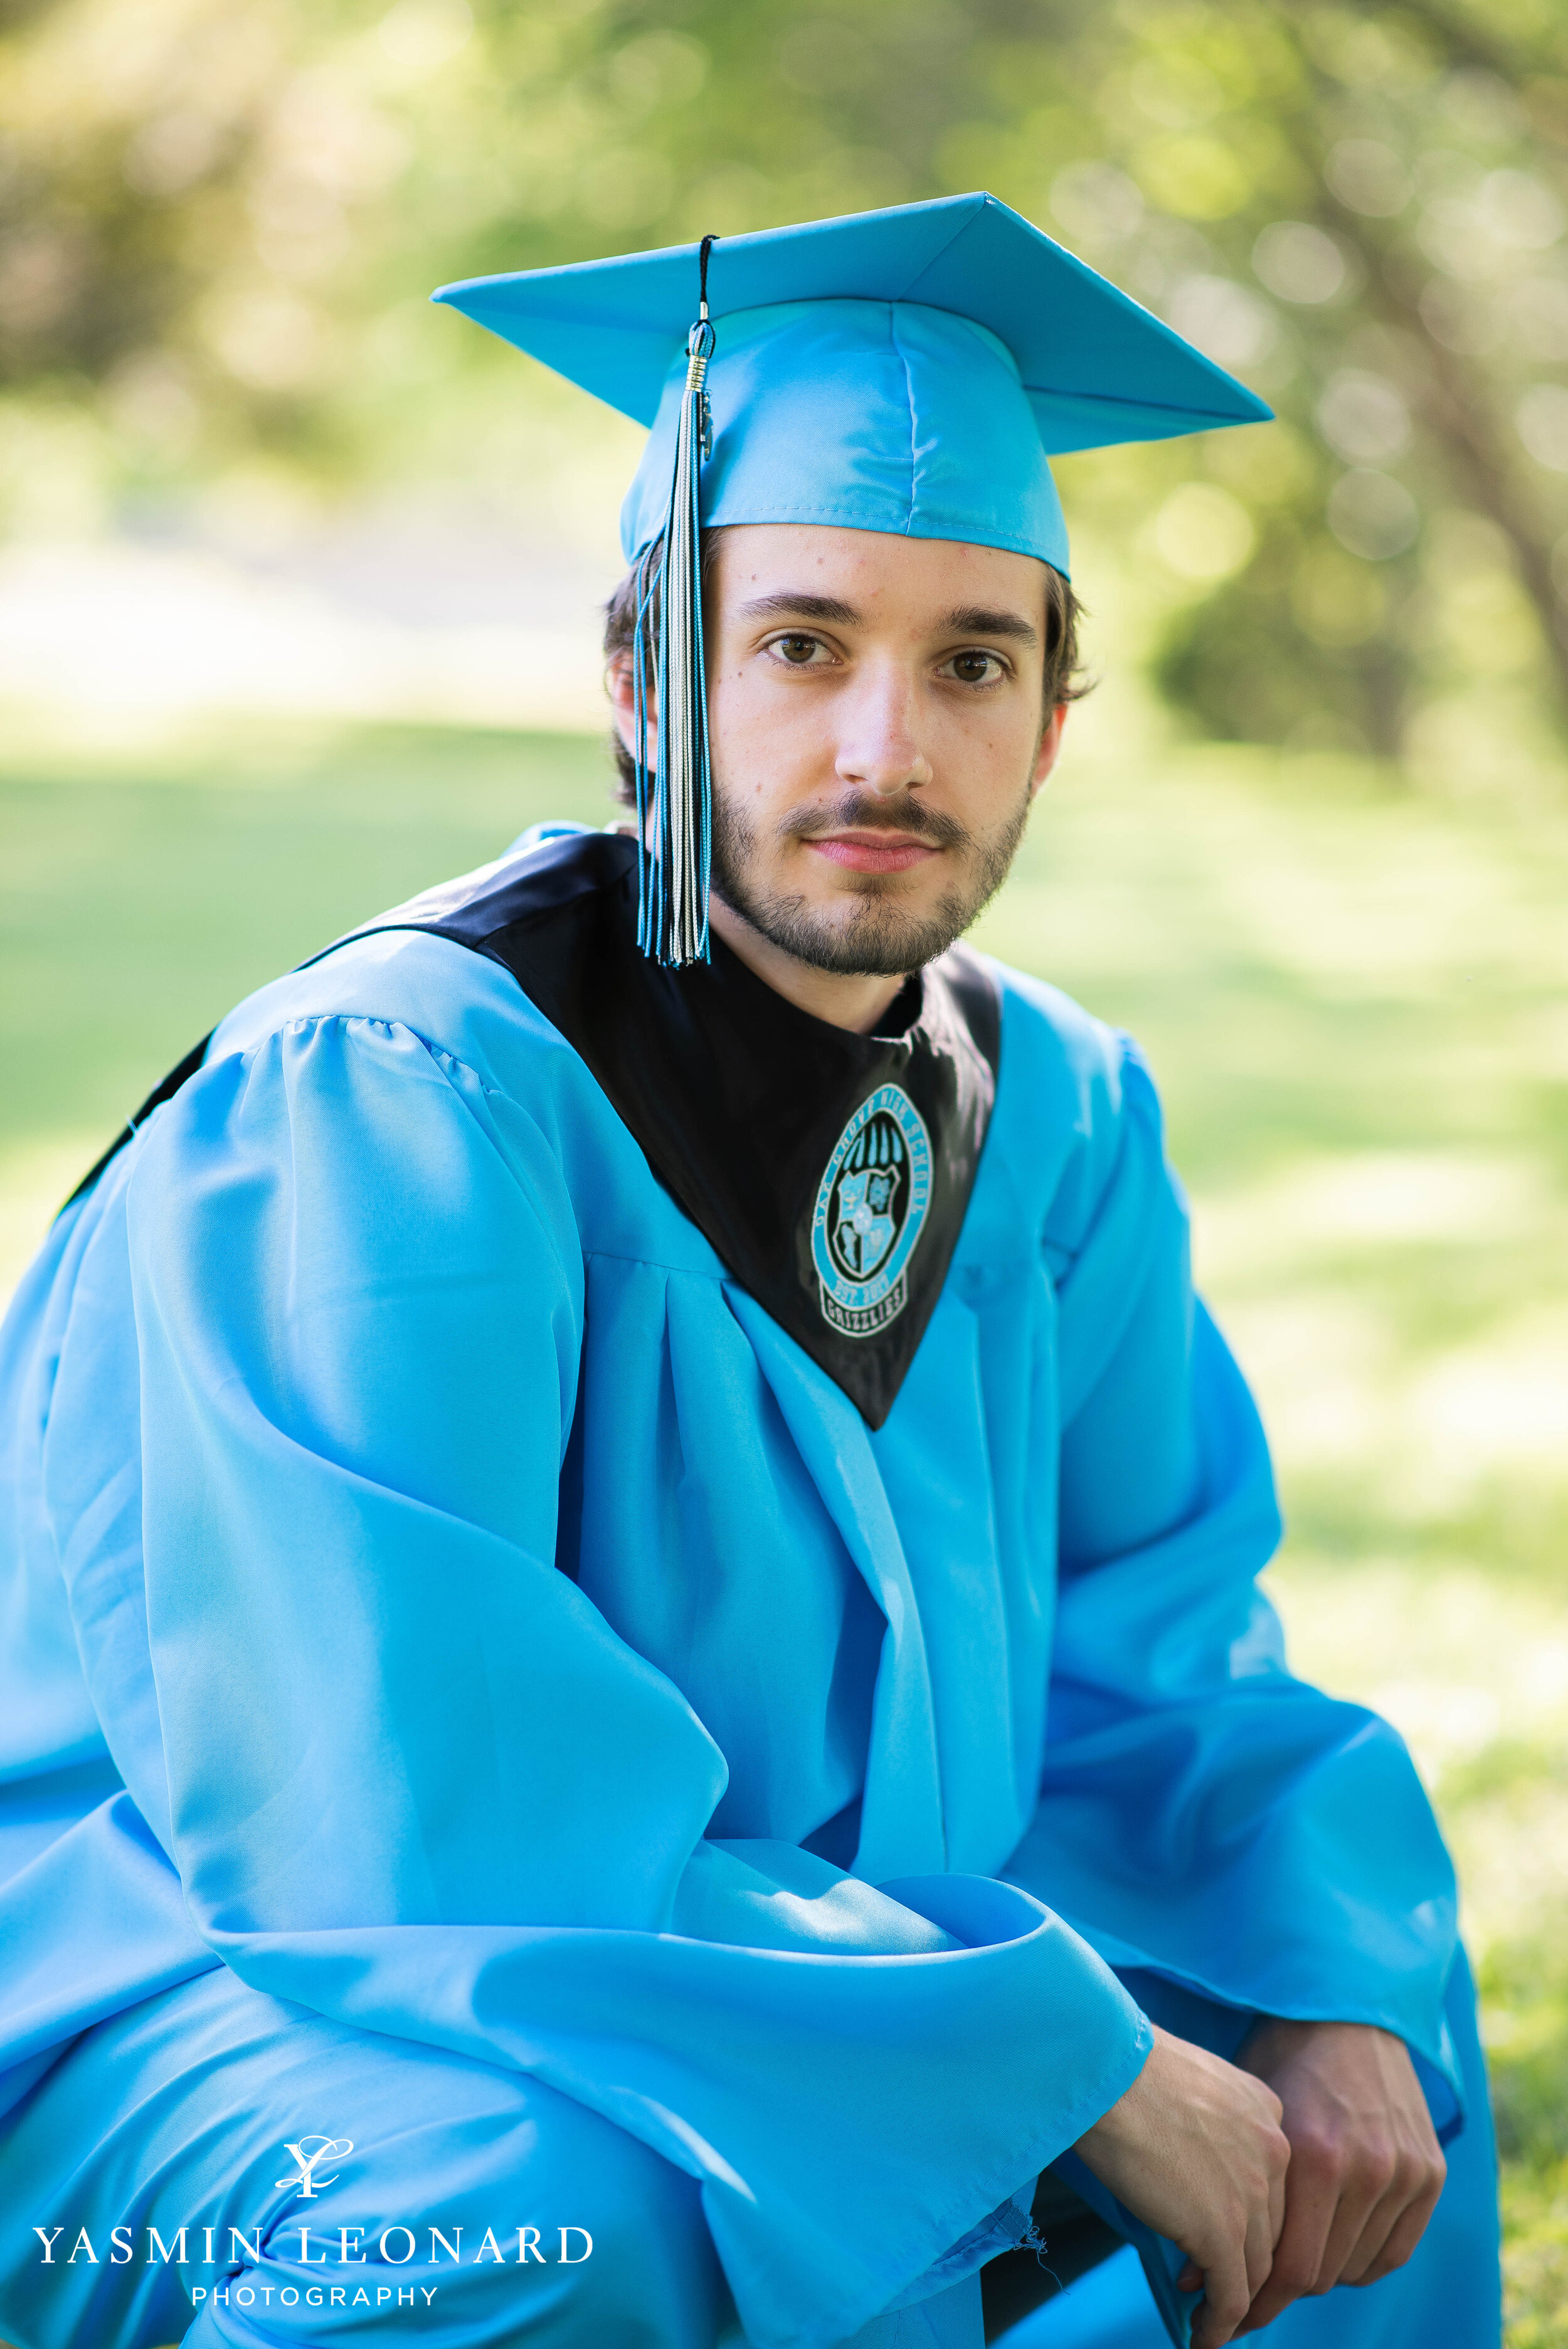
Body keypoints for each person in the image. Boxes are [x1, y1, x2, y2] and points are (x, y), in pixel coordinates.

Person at [0, 193, 1498, 2349]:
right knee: (545, 2209)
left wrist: (1314, 1979)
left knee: (1341, 2043)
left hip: (814, 1942)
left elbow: (1157, 1647)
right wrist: (1043, 2049)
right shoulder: (399, 1096)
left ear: (1055, 717)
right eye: (801, 644)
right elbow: (410, 1796)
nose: (885, 751)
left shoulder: (1052, 1106)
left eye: (971, 661)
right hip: (215, 1975)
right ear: (645, 672)